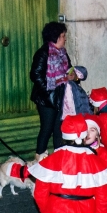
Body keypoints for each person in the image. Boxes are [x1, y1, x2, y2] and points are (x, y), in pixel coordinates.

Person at [30, 21, 71, 159]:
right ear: (56, 37)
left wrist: (73, 76)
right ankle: (39, 159)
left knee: (59, 129)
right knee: (47, 129)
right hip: (46, 98)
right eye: (63, 36)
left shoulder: (63, 53)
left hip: (61, 96)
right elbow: (36, 75)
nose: (65, 39)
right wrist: (49, 93)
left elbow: (69, 70)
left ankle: (58, 159)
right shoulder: (43, 53)